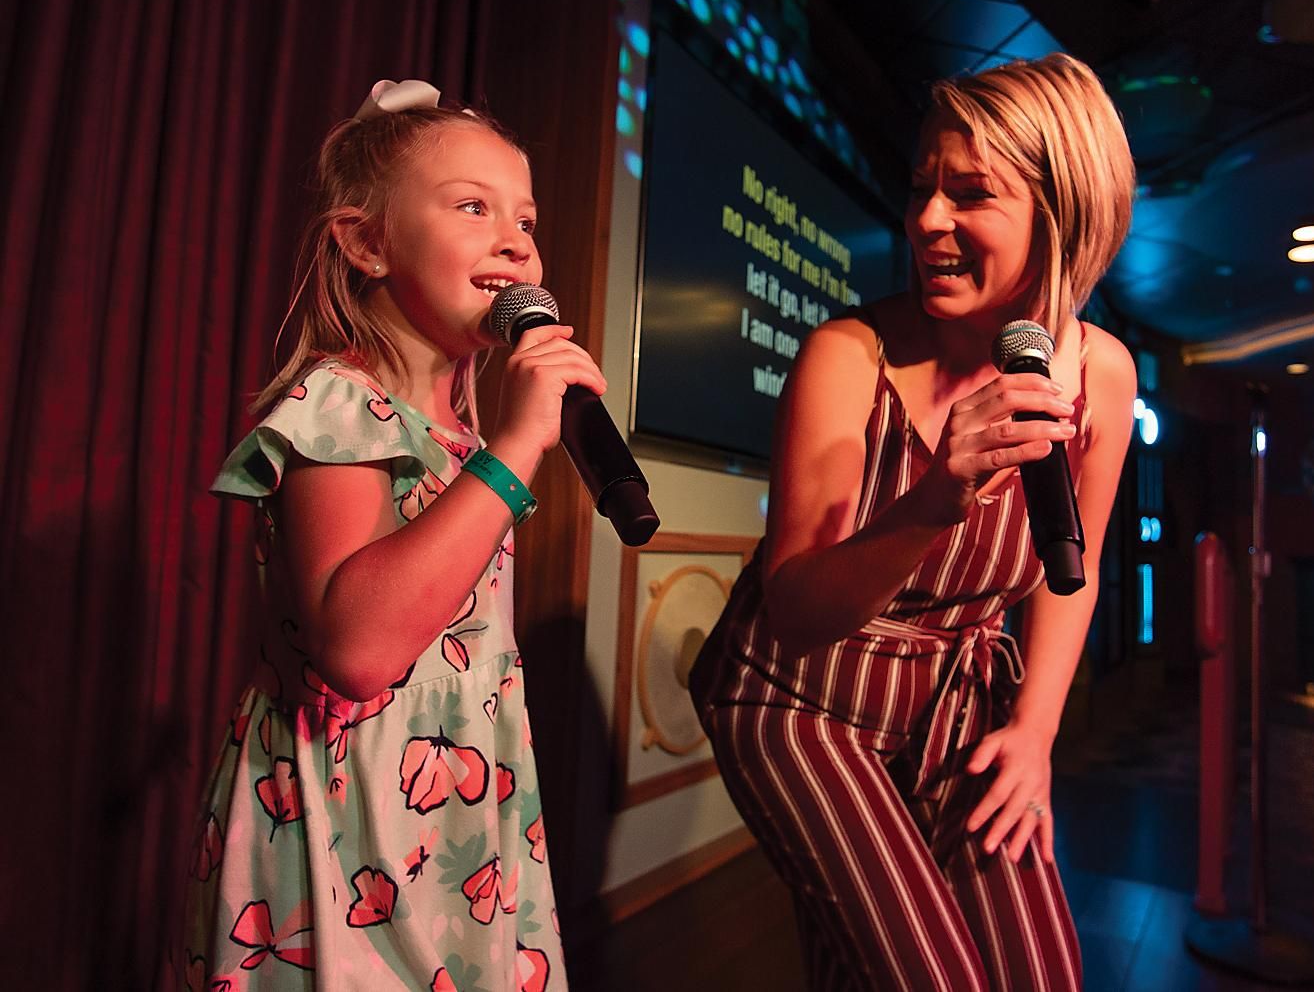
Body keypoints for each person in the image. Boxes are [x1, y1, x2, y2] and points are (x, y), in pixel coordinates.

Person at [690, 53, 1137, 992]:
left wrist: (1035, 732)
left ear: (1063, 217)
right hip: (796, 699)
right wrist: (937, 494)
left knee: (1042, 975)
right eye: (923, 188)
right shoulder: (845, 357)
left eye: (970, 194)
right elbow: (798, 610)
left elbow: (1076, 566)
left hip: (951, 700)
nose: (928, 220)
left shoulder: (1102, 373)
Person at [180, 79, 600, 991]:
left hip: (455, 811)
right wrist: (523, 444)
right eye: (473, 207)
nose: (515, 240)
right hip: (352, 820)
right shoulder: (340, 402)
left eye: (524, 220)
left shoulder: (461, 436)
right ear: (366, 242)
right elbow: (360, 648)